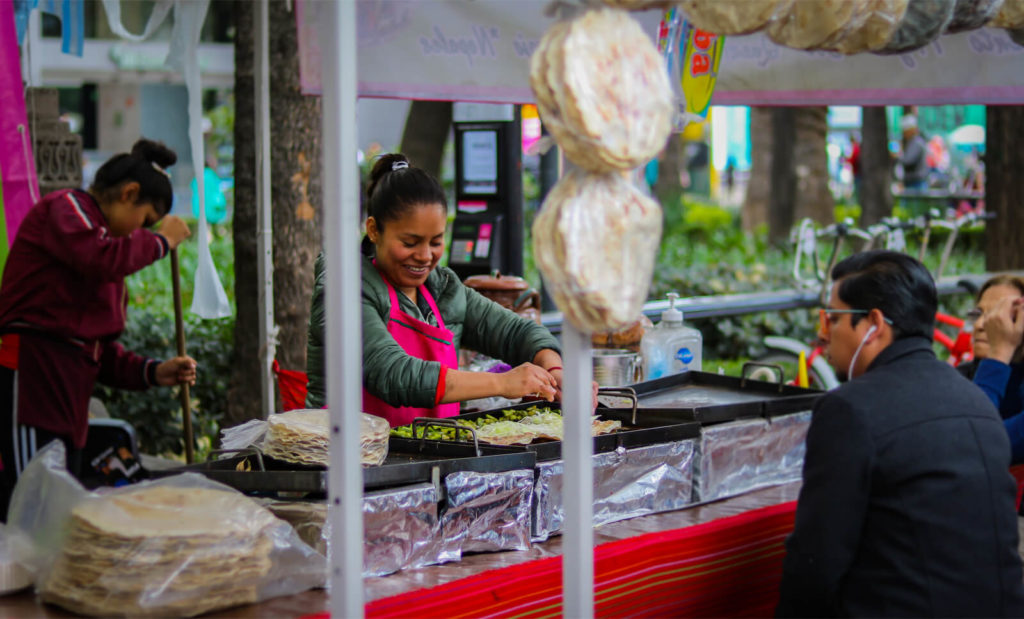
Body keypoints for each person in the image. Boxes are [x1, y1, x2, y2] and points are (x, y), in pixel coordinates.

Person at [777, 250, 1024, 617]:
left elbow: (816, 561)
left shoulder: (850, 409)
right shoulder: (976, 400)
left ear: (873, 324)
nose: (823, 333)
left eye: (833, 318)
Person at [306, 153, 581, 427]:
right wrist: (501, 382)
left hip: (428, 458)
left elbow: (515, 332)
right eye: (410, 242)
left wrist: (554, 369)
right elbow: (390, 372)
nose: (425, 256)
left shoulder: (443, 289)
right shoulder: (343, 288)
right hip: (348, 459)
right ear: (374, 230)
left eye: (436, 241)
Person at [0, 139, 197, 517]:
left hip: (68, 399)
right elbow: (100, 258)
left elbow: (96, 350)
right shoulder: (66, 210)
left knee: (57, 516)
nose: (141, 233)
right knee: (30, 508)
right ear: (129, 193)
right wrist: (160, 242)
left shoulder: (104, 255)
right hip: (32, 382)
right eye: (145, 221)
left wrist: (153, 371)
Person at [960, 275, 1024, 462]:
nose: (981, 325)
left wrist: (999, 353)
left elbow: (978, 444)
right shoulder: (959, 377)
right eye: (978, 314)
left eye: (1000, 316)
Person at [897, 115, 929, 191]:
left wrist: (897, 157)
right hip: (913, 181)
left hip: (916, 182)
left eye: (905, 130)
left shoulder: (916, 142)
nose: (903, 133)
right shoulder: (913, 142)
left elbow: (908, 160)